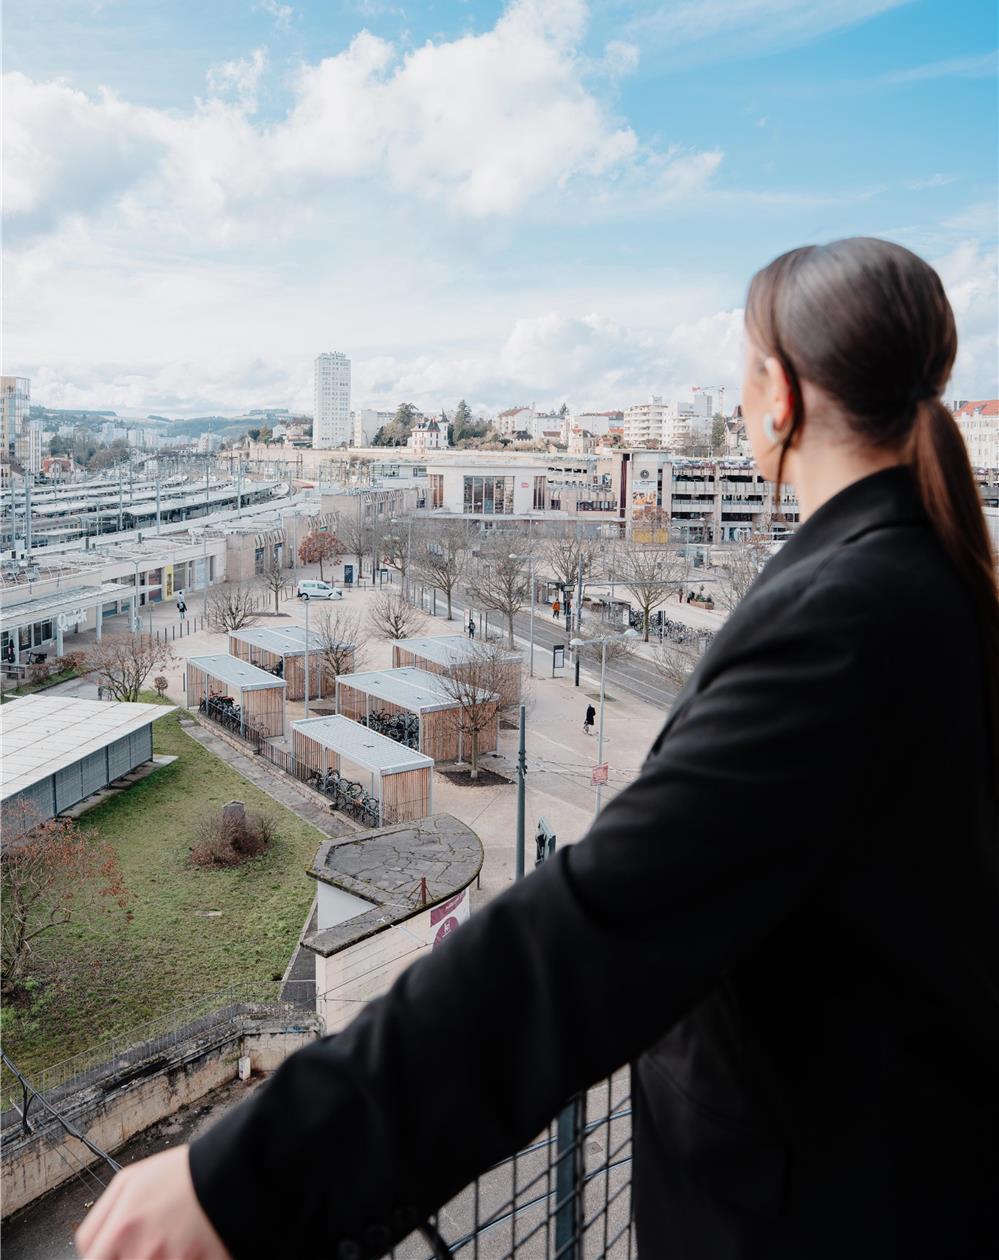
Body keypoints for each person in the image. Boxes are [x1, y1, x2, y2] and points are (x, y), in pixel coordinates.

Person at [76, 239, 999, 1260]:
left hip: (817, 1208)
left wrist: (252, 1175)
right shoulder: (932, 578)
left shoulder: (846, 620)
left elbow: (596, 925)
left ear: (778, 395)